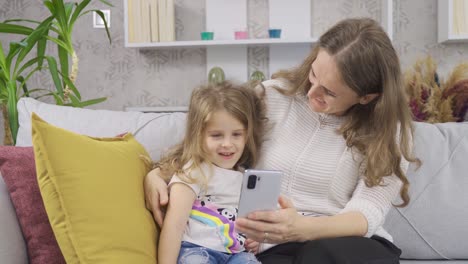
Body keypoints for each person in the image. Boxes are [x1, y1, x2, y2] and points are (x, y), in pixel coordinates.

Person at [146, 18, 419, 264]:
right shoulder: (271, 96)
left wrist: (302, 229)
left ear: (366, 97)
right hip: (272, 246)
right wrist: (157, 174)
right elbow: (209, 138)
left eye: (330, 93)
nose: (311, 94)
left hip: (346, 246)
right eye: (313, 75)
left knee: (320, 254)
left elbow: (366, 213)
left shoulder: (388, 132)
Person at [155, 81, 266, 264]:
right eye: (216, 135)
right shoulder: (193, 171)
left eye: (236, 134)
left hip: (236, 254)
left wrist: (256, 240)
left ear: (247, 135)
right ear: (198, 135)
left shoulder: (245, 178)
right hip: (198, 250)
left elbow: (250, 225)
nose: (227, 144)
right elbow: (174, 226)